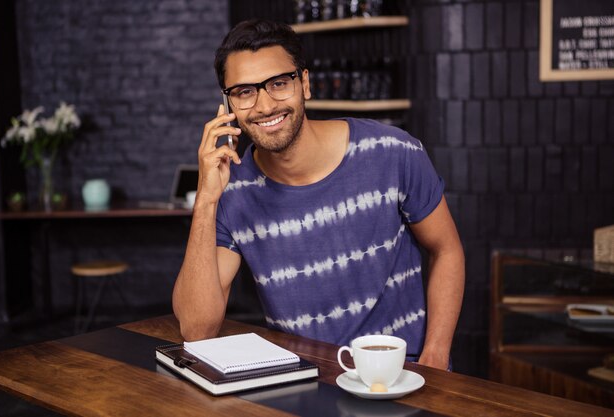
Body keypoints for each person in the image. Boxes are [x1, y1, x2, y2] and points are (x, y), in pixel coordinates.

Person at [173, 19, 464, 370]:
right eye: (245, 92)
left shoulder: (393, 151)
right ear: (228, 103)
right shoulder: (233, 190)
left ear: (305, 84)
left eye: (279, 84)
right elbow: (197, 330)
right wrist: (206, 199)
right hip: (302, 385)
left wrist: (435, 355)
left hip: (400, 376)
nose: (264, 105)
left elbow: (446, 249)